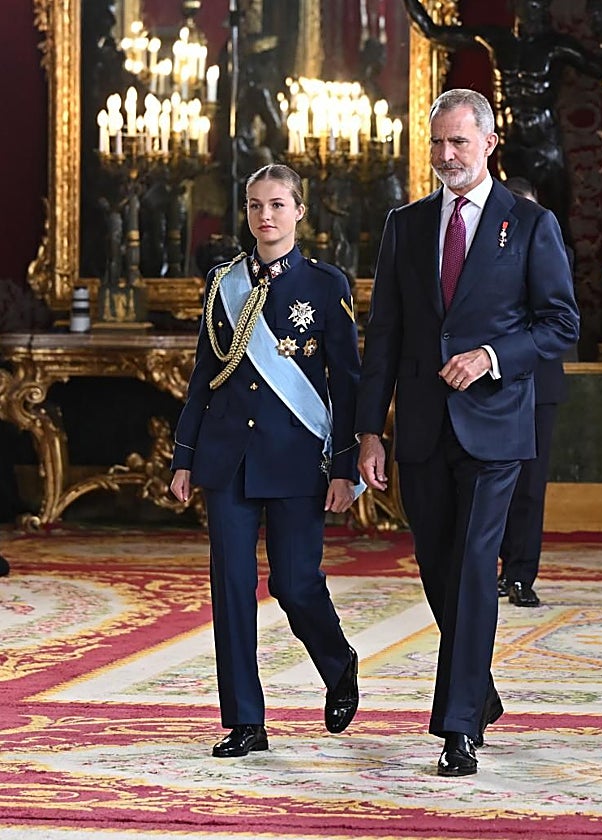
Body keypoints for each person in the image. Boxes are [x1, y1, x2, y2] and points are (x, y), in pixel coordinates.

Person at [356, 89, 579, 777]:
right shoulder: (407, 223)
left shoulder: (531, 224)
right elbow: (385, 335)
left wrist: (490, 358)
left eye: (458, 142)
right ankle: (476, 693)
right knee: (438, 570)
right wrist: (369, 431)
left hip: (496, 427)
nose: (447, 156)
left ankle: (458, 728)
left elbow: (560, 325)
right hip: (422, 429)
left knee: (477, 571)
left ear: (488, 144)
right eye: (438, 144)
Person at [169, 164, 362, 759]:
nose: (265, 216)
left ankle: (339, 662)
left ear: (299, 211)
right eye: (255, 205)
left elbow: (346, 383)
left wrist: (345, 466)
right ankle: (245, 720)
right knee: (230, 588)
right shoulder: (222, 283)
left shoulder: (326, 285)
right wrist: (185, 456)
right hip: (227, 459)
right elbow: (206, 373)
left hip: (295, 458)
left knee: (296, 583)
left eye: (277, 204)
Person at [403, 0, 602, 238]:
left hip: (546, 144)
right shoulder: (497, 40)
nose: (533, 10)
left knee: (557, 223)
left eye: (538, 6)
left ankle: (561, 275)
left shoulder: (555, 46)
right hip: (512, 145)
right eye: (528, 5)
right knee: (510, 220)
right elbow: (432, 31)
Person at [496, 176, 571, 608]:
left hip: (539, 383)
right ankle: (491, 569)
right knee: (490, 484)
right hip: (493, 381)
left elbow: (560, 319)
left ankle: (521, 573)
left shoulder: (553, 249)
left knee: (529, 485)